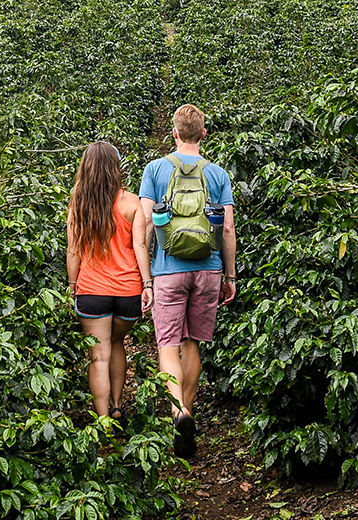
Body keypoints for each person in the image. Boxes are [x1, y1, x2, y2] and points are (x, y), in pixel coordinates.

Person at [138, 104, 237, 459]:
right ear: (204, 134)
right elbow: (226, 228)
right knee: (193, 342)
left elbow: (147, 225)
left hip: (168, 270)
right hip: (208, 268)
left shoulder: (155, 169)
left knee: (167, 344)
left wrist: (146, 278)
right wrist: (230, 275)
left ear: (174, 133)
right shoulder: (218, 174)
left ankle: (177, 412)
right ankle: (189, 412)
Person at [66, 140, 150, 423]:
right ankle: (117, 405)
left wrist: (72, 286)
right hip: (128, 291)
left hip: (92, 290)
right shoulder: (131, 202)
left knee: (98, 356)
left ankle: (103, 422)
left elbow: (73, 250)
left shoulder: (78, 203)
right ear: (116, 168)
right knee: (117, 342)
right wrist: (147, 284)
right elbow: (140, 246)